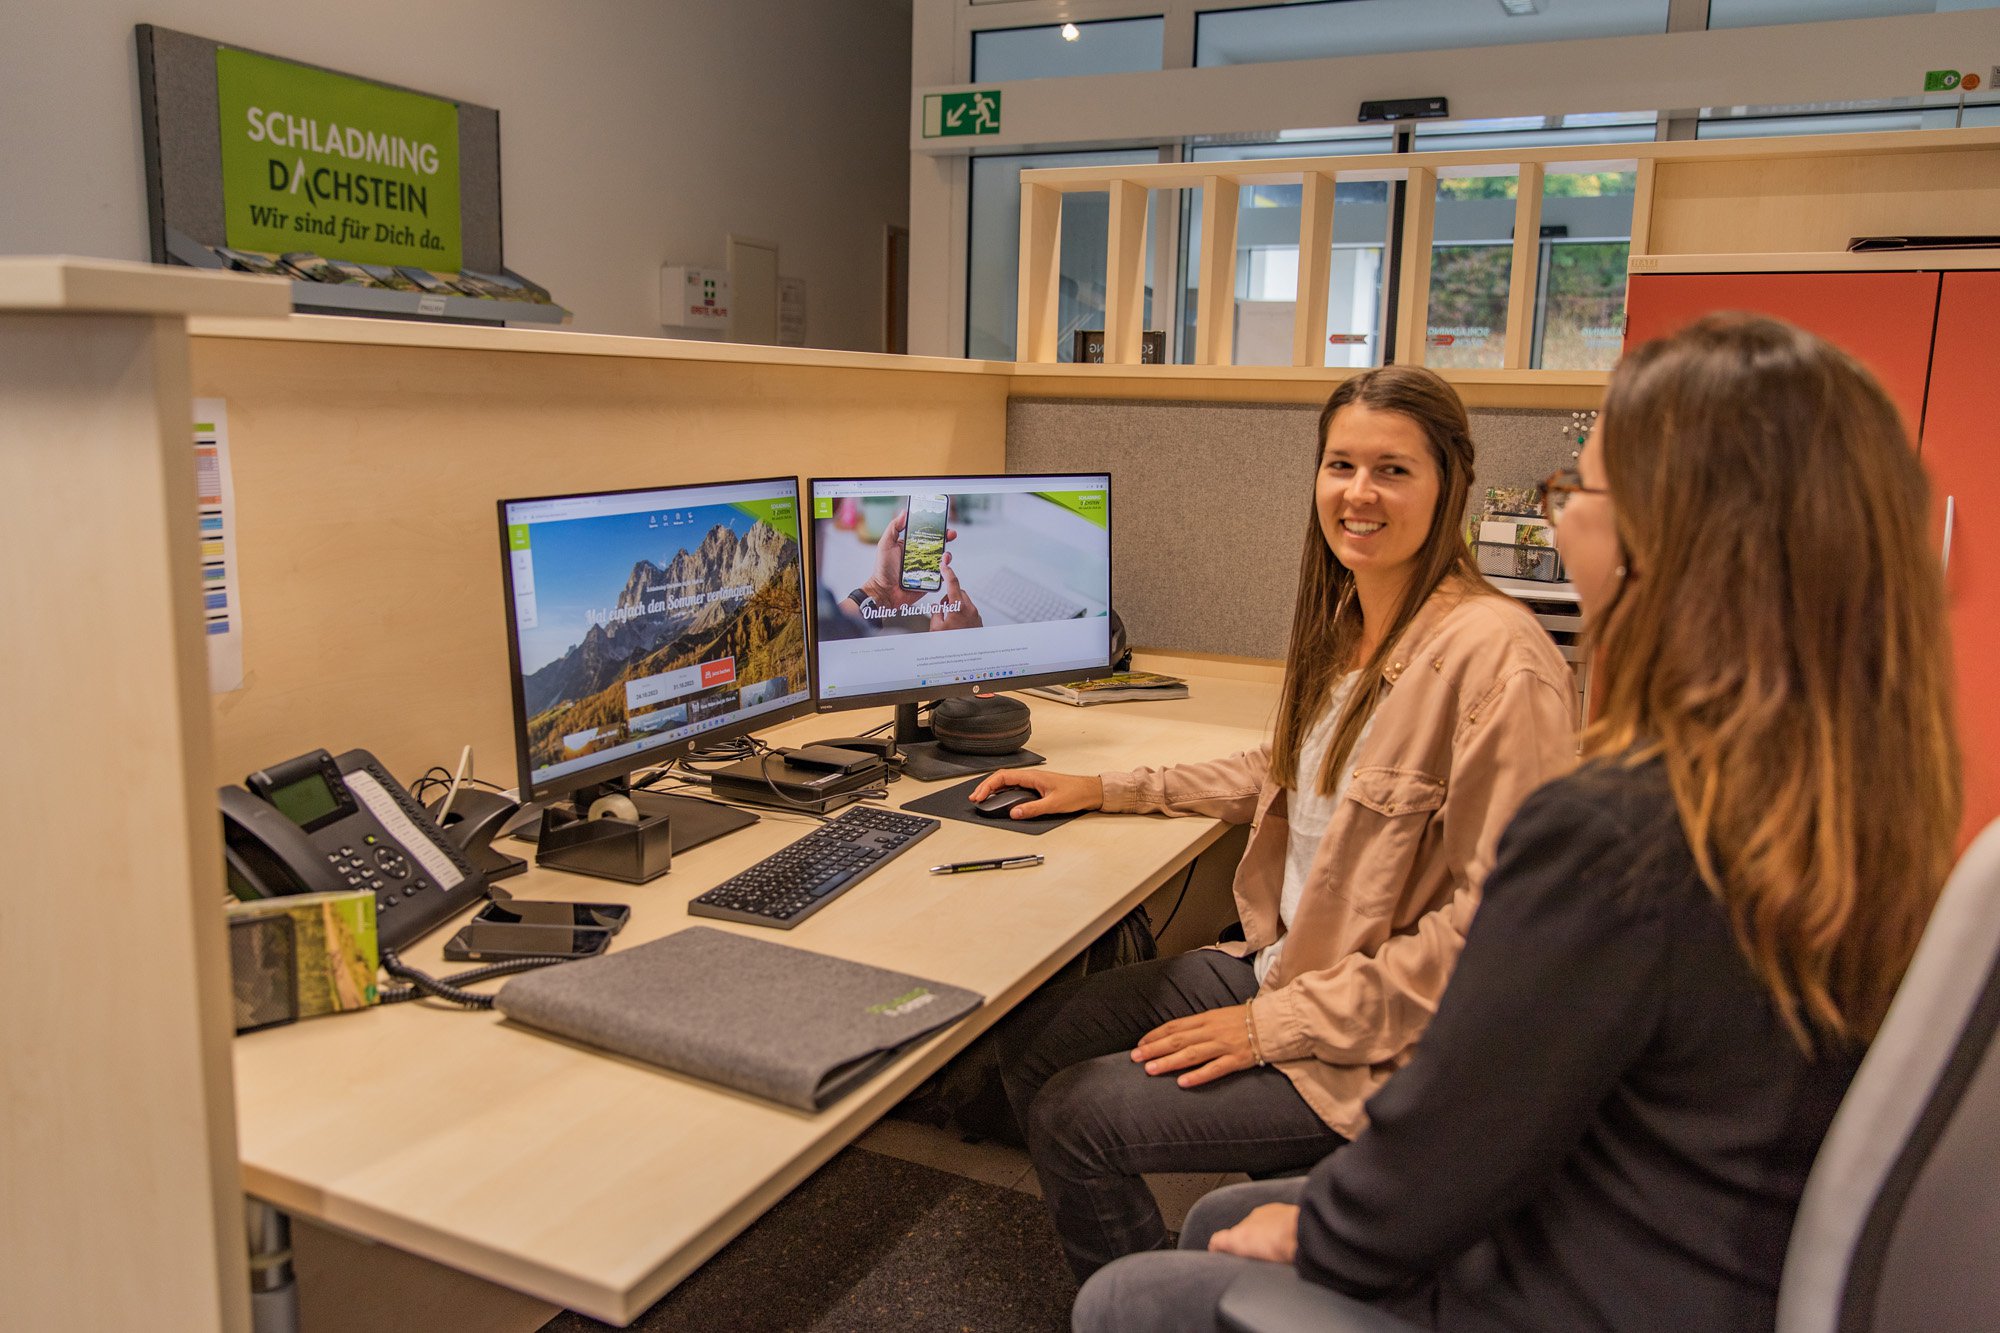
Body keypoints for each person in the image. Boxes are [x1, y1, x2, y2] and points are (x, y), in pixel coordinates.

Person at [1071, 313, 1963, 1332]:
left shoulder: (1616, 827)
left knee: (1132, 1294)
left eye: (1574, 489)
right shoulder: (1834, 794)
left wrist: (1324, 1232)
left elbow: (1468, 1117)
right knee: (1218, 1209)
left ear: (1661, 537)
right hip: (1693, 1253)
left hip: (1569, 1281)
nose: (1558, 517)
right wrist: (1111, 786)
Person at [971, 365, 1579, 1282]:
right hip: (1284, 963)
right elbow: (1291, 769)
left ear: (1449, 481)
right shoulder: (1355, 620)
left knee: (1075, 1112)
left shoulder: (1497, 661)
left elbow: (1498, 941)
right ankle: (1209, 1257)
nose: (1358, 493)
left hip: (1378, 1038)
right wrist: (1107, 785)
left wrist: (1268, 1028)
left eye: (1392, 469)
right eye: (1340, 465)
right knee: (1035, 1036)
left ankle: (1174, 1297)